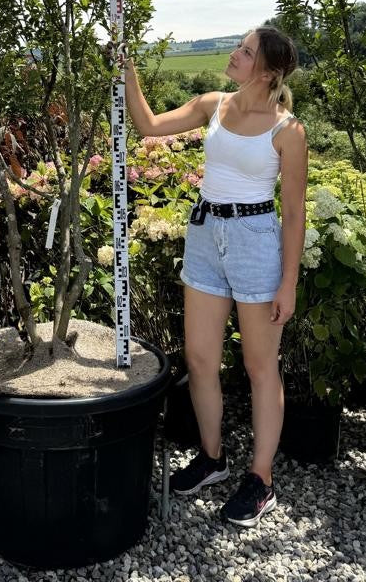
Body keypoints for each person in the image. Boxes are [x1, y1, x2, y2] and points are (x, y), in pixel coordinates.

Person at [124, 26, 307, 527]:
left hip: (255, 242)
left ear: (268, 70)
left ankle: (261, 479)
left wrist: (287, 283)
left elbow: (294, 214)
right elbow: (148, 125)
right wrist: (127, 68)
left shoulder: (287, 131)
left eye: (245, 53)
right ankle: (212, 458)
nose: (234, 55)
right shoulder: (215, 104)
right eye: (239, 47)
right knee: (200, 358)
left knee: (258, 366)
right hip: (205, 236)